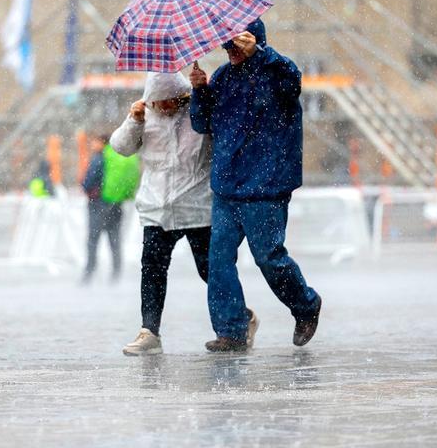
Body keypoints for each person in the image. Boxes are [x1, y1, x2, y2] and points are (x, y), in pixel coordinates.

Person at [190, 18, 323, 352]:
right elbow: (202, 123)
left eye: (236, 43)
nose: (230, 50)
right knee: (218, 260)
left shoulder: (277, 71)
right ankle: (231, 330)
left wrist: (263, 54)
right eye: (226, 45)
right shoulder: (221, 77)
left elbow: (292, 82)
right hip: (227, 186)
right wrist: (199, 91)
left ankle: (305, 305)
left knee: (269, 258)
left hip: (267, 185)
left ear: (254, 40)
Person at [111, 72, 259, 356]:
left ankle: (241, 318)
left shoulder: (198, 112)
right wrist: (134, 120)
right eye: (159, 103)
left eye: (170, 102)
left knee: (211, 271)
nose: (164, 108)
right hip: (157, 208)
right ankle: (149, 332)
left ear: (181, 97)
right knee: (152, 271)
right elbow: (121, 146)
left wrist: (202, 90)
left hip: (197, 207)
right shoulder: (144, 115)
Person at [80, 134, 139, 284]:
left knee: (93, 239)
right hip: (116, 203)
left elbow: (89, 180)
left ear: (102, 142)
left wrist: (85, 187)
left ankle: (89, 271)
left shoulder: (100, 158)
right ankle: (116, 272)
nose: (93, 144)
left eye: (94, 141)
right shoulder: (118, 156)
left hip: (99, 203)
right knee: (114, 239)